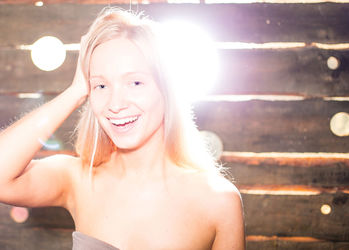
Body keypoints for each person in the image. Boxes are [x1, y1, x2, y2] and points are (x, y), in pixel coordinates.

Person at [0, 7, 245, 250]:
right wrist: (76, 91)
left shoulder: (218, 200)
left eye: (135, 82)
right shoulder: (79, 178)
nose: (115, 105)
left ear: (167, 89)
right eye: (102, 86)